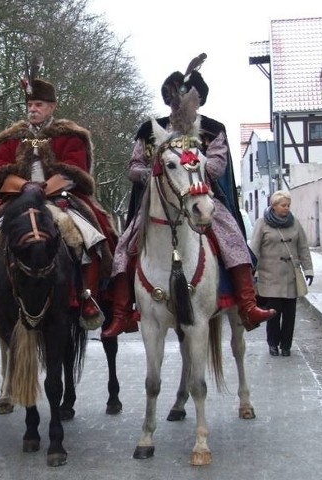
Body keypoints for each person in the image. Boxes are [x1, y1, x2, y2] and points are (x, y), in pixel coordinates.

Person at [101, 54, 276, 337]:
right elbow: (133, 166)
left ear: (199, 100)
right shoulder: (150, 130)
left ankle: (247, 304)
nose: (180, 103)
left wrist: (193, 165)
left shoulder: (213, 129)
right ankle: (122, 313)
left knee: (231, 235)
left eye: (188, 97)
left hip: (200, 194)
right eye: (175, 97)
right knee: (125, 244)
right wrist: (153, 172)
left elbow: (218, 166)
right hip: (159, 199)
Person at [0, 72, 118, 331]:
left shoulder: (71, 135)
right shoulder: (10, 138)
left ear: (51, 107)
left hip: (61, 197)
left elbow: (75, 169)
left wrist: (44, 189)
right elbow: (2, 173)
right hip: (18, 199)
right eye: (29, 105)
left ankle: (88, 296)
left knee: (91, 234)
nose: (33, 110)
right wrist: (25, 187)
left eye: (38, 105)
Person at [250, 190, 314, 357]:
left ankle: (286, 345)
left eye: (288, 205)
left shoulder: (295, 223)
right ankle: (272, 344)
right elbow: (254, 249)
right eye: (283, 205)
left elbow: (303, 248)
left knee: (290, 314)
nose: (286, 208)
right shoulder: (262, 223)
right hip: (269, 276)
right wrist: (250, 270)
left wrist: (308, 269)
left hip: (290, 276)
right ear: (274, 206)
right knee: (272, 314)